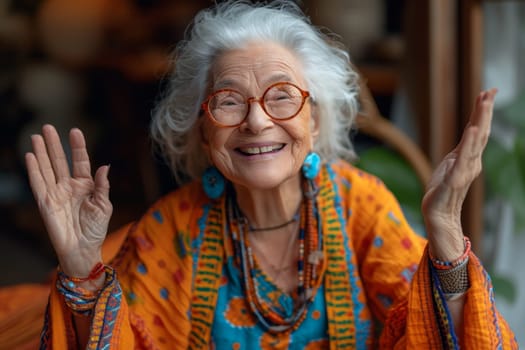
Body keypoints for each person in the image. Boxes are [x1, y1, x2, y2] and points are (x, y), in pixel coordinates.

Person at [25, 1, 517, 349]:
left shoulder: (360, 206)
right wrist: (82, 269)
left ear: (315, 119)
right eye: (229, 100)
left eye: (282, 95)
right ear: (202, 131)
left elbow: (440, 337)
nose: (257, 121)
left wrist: (449, 236)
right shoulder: (170, 229)